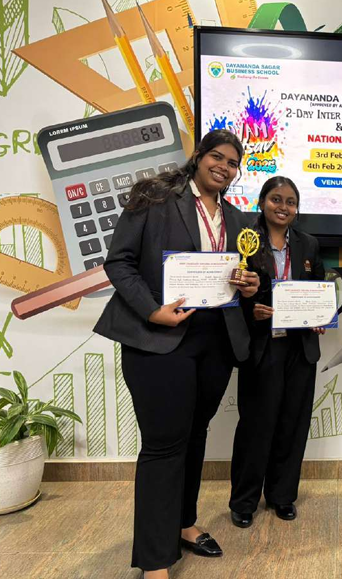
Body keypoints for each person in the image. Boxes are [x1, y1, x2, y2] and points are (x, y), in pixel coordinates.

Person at [94, 130, 259, 579]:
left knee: (195, 435)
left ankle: (184, 523)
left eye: (232, 162)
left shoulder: (237, 218)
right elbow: (119, 262)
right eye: (217, 157)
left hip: (215, 341)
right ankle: (154, 561)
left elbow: (239, 275)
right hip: (159, 338)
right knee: (163, 446)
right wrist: (152, 310)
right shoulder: (154, 196)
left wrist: (249, 284)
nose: (224, 167)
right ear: (199, 156)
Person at [229, 176, 326, 529]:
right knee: (257, 425)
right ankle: (244, 501)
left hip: (300, 348)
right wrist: (250, 311)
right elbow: (229, 292)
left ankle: (282, 496)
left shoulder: (308, 244)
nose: (283, 207)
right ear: (261, 202)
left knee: (292, 424)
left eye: (290, 202)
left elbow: (319, 288)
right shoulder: (245, 240)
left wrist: (320, 317)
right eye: (276, 199)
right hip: (262, 345)